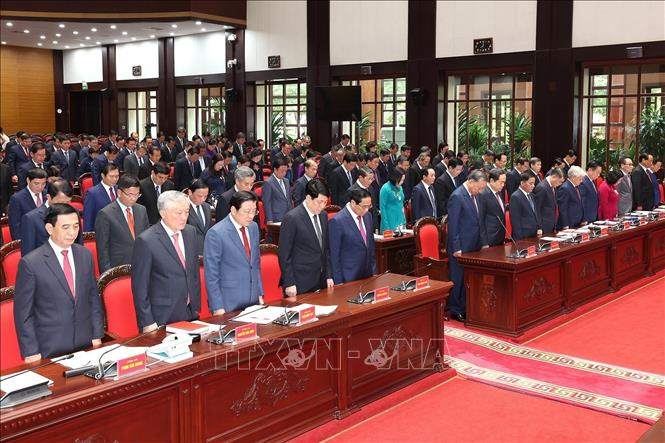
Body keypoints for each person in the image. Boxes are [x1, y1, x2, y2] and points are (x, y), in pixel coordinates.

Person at [14, 203, 104, 361]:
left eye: (76, 226)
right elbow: (23, 314)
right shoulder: (31, 263)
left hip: (85, 343)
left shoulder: (85, 254)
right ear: (49, 229)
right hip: (49, 348)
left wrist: (97, 334)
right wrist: (31, 351)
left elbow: (93, 298)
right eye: (65, 227)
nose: (72, 233)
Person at [132, 191, 201, 331]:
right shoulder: (146, 240)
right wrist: (147, 322)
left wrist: (195, 304)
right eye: (178, 213)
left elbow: (193, 271)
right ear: (163, 213)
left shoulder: (190, 232)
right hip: (162, 316)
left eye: (187, 212)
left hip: (190, 311)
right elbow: (140, 287)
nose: (184, 217)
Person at [204, 191, 263, 313]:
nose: (251, 216)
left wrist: (260, 293)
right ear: (233, 210)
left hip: (253, 299)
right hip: (229, 302)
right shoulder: (216, 233)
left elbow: (255, 264)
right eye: (247, 212)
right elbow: (211, 274)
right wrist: (217, 306)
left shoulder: (253, 227)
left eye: (254, 211)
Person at [278, 179, 334, 296]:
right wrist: (289, 283)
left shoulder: (323, 216)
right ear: (308, 198)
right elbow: (284, 254)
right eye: (319, 202)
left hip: (321, 279)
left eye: (325, 202)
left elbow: (326, 249)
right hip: (300, 282)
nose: (322, 206)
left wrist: (328, 275)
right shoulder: (292, 218)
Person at [447, 170, 487, 321]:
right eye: (479, 187)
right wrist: (456, 247)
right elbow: (453, 225)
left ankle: (468, 305)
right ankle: (456, 309)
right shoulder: (457, 196)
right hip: (461, 246)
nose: (480, 191)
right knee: (458, 278)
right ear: (471, 181)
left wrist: (483, 243)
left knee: (469, 278)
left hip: (474, 244)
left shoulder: (477, 196)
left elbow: (479, 221)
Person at [95, 175, 149, 273]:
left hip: (141, 265)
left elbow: (146, 240)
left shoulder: (142, 210)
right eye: (130, 195)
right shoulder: (105, 214)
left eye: (137, 195)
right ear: (119, 192)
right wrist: (108, 275)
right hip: (118, 268)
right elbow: (103, 250)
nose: (133, 198)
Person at [329, 187, 377, 284]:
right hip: (348, 276)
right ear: (353, 203)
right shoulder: (337, 221)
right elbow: (334, 255)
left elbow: (370, 246)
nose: (367, 210)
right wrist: (338, 282)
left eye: (369, 206)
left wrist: (374, 271)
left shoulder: (368, 216)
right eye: (364, 206)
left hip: (367, 274)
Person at [20, 179, 80, 256]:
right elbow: (28, 255)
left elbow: (78, 245)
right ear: (49, 197)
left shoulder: (74, 213)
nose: (64, 207)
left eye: (68, 202)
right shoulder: (31, 219)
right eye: (60, 203)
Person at [8, 168, 48, 240]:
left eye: (43, 184)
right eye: (36, 183)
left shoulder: (47, 195)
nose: (40, 187)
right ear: (28, 180)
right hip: (28, 240)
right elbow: (15, 227)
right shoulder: (17, 199)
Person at [83, 163, 120, 232]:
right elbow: (88, 218)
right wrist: (88, 237)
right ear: (103, 176)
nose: (115, 179)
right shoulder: (92, 193)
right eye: (111, 176)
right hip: (101, 232)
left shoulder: (119, 190)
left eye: (117, 176)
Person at [347, 166, 380, 232]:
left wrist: (376, 226)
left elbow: (373, 209)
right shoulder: (351, 191)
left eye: (372, 179)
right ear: (361, 178)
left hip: (371, 225)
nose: (371, 181)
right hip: (358, 227)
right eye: (369, 179)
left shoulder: (371, 188)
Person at [479, 168, 507, 246]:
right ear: (491, 181)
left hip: (499, 238)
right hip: (489, 240)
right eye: (501, 182)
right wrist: (484, 242)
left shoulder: (498, 192)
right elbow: (480, 220)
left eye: (504, 182)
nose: (503, 185)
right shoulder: (483, 194)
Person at [509, 173, 541, 240]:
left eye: (534, 183)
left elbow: (536, 213)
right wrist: (520, 238)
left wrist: (539, 227)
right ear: (522, 183)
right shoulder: (515, 197)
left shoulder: (531, 195)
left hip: (534, 234)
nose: (533, 186)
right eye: (531, 183)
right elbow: (515, 220)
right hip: (523, 236)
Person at [185, 179, 212, 256]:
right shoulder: (182, 207)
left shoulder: (206, 207)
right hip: (190, 252)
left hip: (206, 252)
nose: (203, 199)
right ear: (190, 192)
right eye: (200, 196)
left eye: (206, 196)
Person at [533, 168, 564, 234]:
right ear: (554, 177)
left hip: (551, 225)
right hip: (544, 226)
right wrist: (539, 227)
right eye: (560, 181)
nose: (560, 184)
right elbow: (537, 209)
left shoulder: (553, 186)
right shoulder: (542, 187)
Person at [263, 157, 292, 223]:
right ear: (275, 170)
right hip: (276, 217)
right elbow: (267, 203)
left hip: (288, 215)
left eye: (286, 171)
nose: (284, 173)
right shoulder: (268, 183)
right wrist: (269, 219)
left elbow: (289, 199)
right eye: (282, 171)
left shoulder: (286, 181)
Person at [557, 165, 585, 230]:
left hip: (577, 222)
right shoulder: (565, 188)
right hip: (569, 223)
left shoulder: (576, 187)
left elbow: (580, 203)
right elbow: (562, 208)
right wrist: (565, 224)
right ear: (573, 177)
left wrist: (582, 219)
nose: (581, 181)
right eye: (580, 179)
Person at [379, 168, 406, 232]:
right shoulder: (385, 188)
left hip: (400, 219)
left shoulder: (400, 187)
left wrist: (404, 220)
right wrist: (386, 227)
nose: (402, 182)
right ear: (395, 178)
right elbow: (382, 208)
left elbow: (401, 204)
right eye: (401, 180)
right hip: (390, 221)